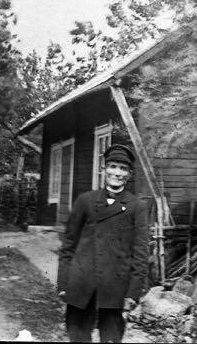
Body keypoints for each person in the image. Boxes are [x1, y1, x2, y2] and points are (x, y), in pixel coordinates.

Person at [57, 144, 149, 342]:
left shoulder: (137, 207)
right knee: (78, 336)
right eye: (113, 166)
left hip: (115, 289)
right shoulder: (85, 201)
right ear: (104, 169)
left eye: (123, 169)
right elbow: (68, 246)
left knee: (111, 338)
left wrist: (132, 293)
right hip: (81, 283)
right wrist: (63, 282)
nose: (117, 173)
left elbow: (140, 254)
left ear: (130, 174)